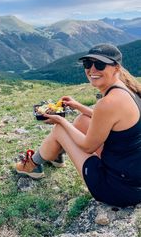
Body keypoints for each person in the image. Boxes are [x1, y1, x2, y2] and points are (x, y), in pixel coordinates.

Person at [15, 43, 141, 207]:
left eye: (100, 64)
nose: (92, 70)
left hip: (118, 189)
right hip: (131, 176)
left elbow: (88, 147)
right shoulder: (128, 90)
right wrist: (78, 106)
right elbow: (108, 120)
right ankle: (55, 154)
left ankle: (32, 165)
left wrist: (60, 120)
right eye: (88, 64)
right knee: (82, 119)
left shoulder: (109, 102)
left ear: (116, 68)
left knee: (61, 129)